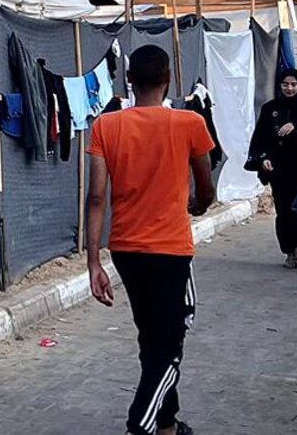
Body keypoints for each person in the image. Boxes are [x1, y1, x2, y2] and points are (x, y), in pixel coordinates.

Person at [84, 45, 216, 435]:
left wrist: (94, 262)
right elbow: (206, 184)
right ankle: (139, 427)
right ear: (169, 80)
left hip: (126, 248)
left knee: (152, 336)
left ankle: (167, 425)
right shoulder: (190, 123)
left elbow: (96, 197)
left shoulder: (106, 126)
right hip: (171, 249)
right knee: (169, 344)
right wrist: (199, 204)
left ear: (129, 81)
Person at [250, 69, 297, 267]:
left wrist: (296, 127)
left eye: (293, 84)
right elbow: (261, 136)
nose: (289, 88)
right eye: (285, 84)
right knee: (283, 209)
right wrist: (264, 158)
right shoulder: (270, 108)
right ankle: (288, 250)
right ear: (279, 85)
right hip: (278, 167)